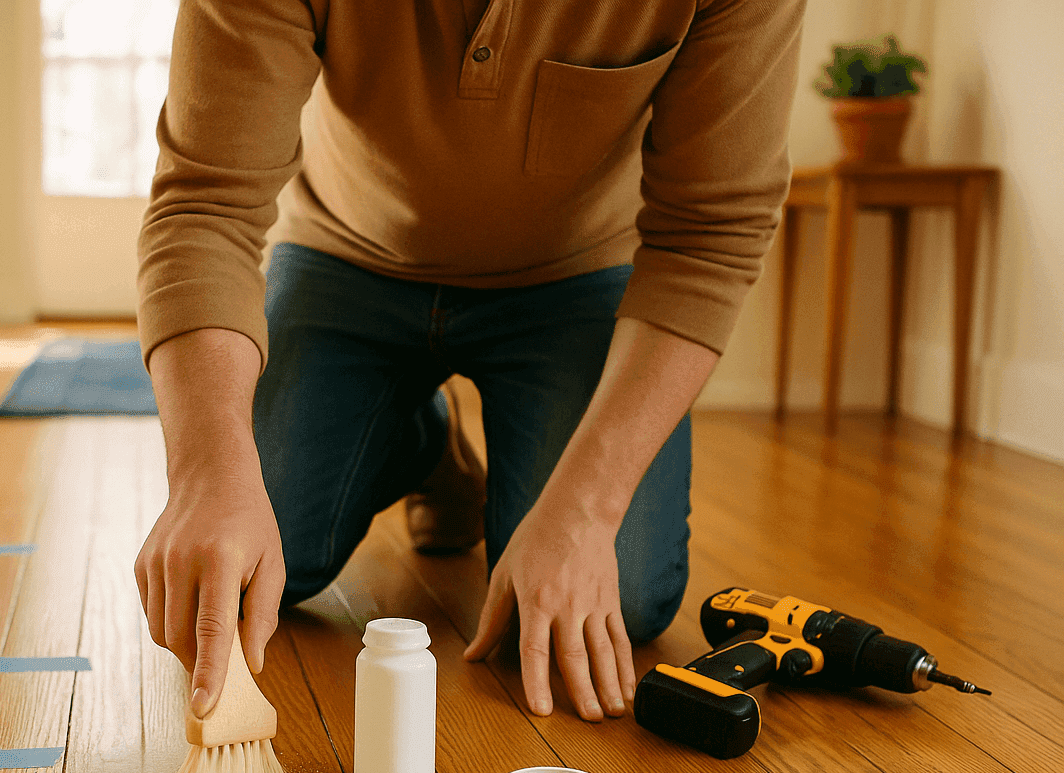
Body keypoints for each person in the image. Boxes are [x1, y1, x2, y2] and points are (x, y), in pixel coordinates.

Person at [133, 0, 806, 722]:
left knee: (621, 594)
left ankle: (442, 444)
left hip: (574, 279)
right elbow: (206, 205)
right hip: (347, 255)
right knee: (239, 566)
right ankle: (425, 446)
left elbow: (709, 239)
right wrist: (207, 471)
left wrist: (588, 509)